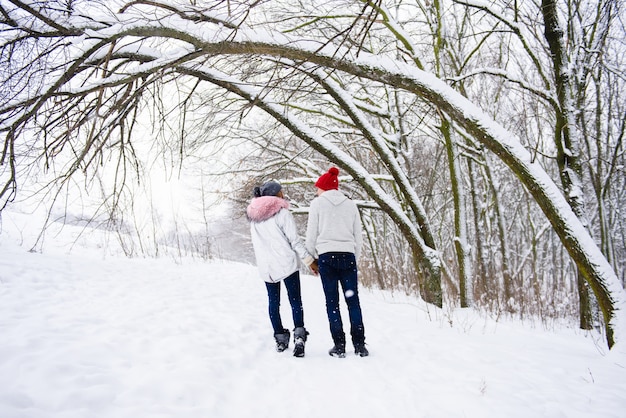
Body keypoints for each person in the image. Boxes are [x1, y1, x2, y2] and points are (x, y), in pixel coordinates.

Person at [246, 180, 318, 357]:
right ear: (275, 194)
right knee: (295, 301)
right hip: (286, 264)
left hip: (267, 268)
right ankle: (299, 337)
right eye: (281, 191)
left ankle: (280, 338)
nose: (283, 194)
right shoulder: (282, 213)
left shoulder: (254, 218)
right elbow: (295, 241)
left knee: (273, 303)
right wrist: (310, 261)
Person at [305, 167, 369, 358]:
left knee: (332, 303)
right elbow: (359, 236)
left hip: (327, 259)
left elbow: (311, 236)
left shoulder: (317, 204)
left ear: (324, 187)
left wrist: (311, 261)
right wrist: (353, 259)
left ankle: (339, 345)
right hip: (348, 257)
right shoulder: (351, 205)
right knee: (353, 303)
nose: (316, 191)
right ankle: (359, 345)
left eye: (318, 188)